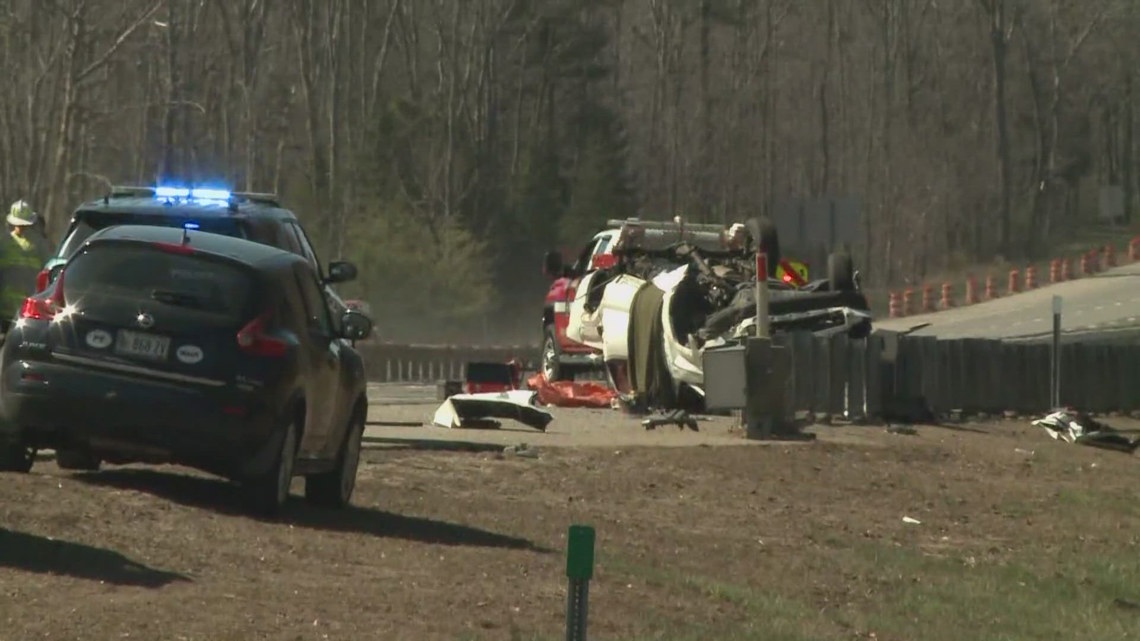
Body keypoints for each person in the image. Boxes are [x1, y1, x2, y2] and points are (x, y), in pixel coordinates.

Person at [0, 201, 49, 322]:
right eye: (19, 225)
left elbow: (47, 271)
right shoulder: (4, 243)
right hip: (5, 309)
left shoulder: (39, 244)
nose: (22, 228)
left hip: (29, 309)